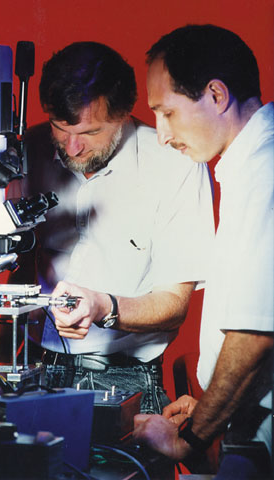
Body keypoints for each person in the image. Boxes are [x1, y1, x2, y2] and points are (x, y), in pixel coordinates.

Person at [8, 41, 214, 414]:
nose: (71, 148)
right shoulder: (27, 149)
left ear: (123, 115)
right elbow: (15, 262)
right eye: (60, 128)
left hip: (127, 377)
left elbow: (174, 303)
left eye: (89, 133)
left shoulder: (175, 164)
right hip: (36, 368)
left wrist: (104, 306)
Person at [132, 24, 273, 477]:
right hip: (246, 421)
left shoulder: (265, 172)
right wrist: (215, 409)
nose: (162, 134)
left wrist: (191, 436)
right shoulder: (244, 167)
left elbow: (255, 335)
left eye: (167, 113)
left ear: (216, 95)